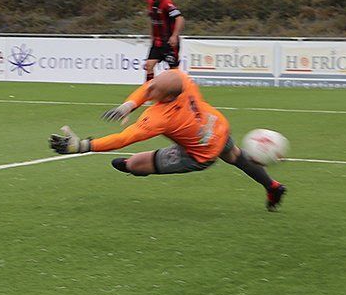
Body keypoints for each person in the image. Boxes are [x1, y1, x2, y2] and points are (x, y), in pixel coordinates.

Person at [49, 69, 287, 211]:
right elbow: (152, 85)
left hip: (199, 154)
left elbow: (124, 138)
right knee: (235, 155)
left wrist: (83, 146)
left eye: (154, 92)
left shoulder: (160, 118)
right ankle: (273, 187)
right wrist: (130, 104)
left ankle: (135, 168)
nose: (149, 92)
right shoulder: (183, 82)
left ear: (168, 97)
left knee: (131, 164)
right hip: (217, 127)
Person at [144, 0, 184, 82]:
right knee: (149, 66)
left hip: (169, 42)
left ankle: (177, 95)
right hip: (157, 42)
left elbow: (180, 18)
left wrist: (174, 36)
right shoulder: (150, 3)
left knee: (174, 71)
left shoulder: (167, 4)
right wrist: (151, 36)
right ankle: (149, 93)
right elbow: (151, 20)